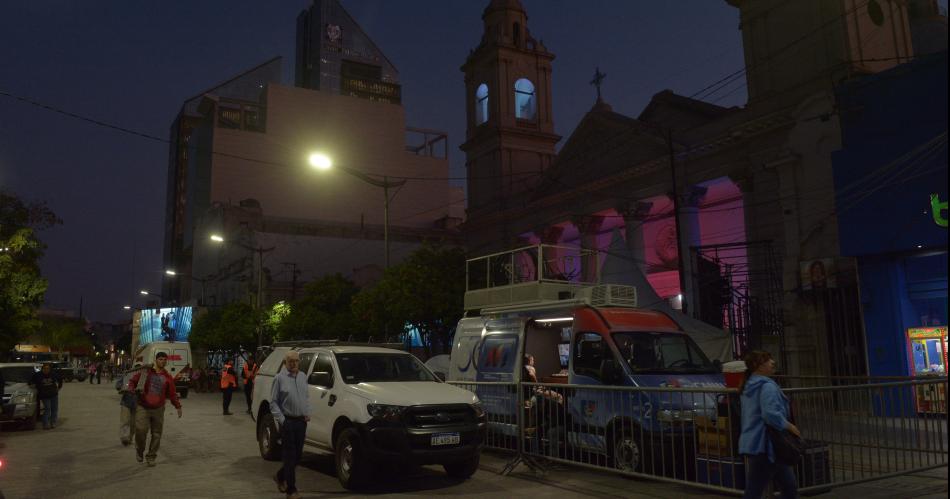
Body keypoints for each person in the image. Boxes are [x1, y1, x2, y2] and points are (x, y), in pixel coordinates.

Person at [738, 351, 802, 499]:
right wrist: (789, 426)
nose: (772, 362)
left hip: (758, 444)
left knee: (789, 487)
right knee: (756, 490)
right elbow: (770, 414)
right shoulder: (767, 386)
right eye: (768, 360)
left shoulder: (749, 385)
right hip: (767, 445)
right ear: (759, 366)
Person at [128, 352, 182, 467]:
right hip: (143, 406)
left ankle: (151, 456)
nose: (163, 361)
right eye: (160, 359)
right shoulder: (146, 372)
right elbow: (133, 381)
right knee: (140, 431)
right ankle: (140, 450)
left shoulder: (167, 377)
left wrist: (178, 406)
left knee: (156, 434)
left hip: (158, 409)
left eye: (165, 359)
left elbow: (172, 394)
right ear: (156, 360)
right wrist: (131, 389)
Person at [270, 351, 310, 499]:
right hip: (288, 422)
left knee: (297, 457)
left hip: (301, 422)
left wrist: (307, 412)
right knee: (290, 456)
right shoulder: (279, 378)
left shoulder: (303, 376)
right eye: (290, 361)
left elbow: (306, 397)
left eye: (296, 361)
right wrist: (283, 421)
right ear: (285, 362)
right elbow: (273, 403)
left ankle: (280, 476)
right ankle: (291, 490)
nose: (293, 363)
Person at [115, 362, 145, 446]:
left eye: (140, 368)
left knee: (133, 423)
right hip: (126, 401)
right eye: (136, 367)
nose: (138, 369)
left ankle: (130, 437)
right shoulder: (127, 375)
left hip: (138, 403)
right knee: (125, 421)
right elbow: (118, 384)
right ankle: (124, 437)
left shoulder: (145, 377)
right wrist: (120, 387)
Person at [30, 363, 63, 430]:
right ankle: (45, 424)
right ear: (42, 369)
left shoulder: (53, 374)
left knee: (54, 409)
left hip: (53, 394)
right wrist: (34, 386)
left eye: (48, 368)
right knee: (47, 409)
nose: (46, 370)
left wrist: (59, 387)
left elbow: (60, 379)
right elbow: (30, 382)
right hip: (44, 395)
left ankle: (53, 423)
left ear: (50, 369)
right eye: (45, 368)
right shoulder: (38, 375)